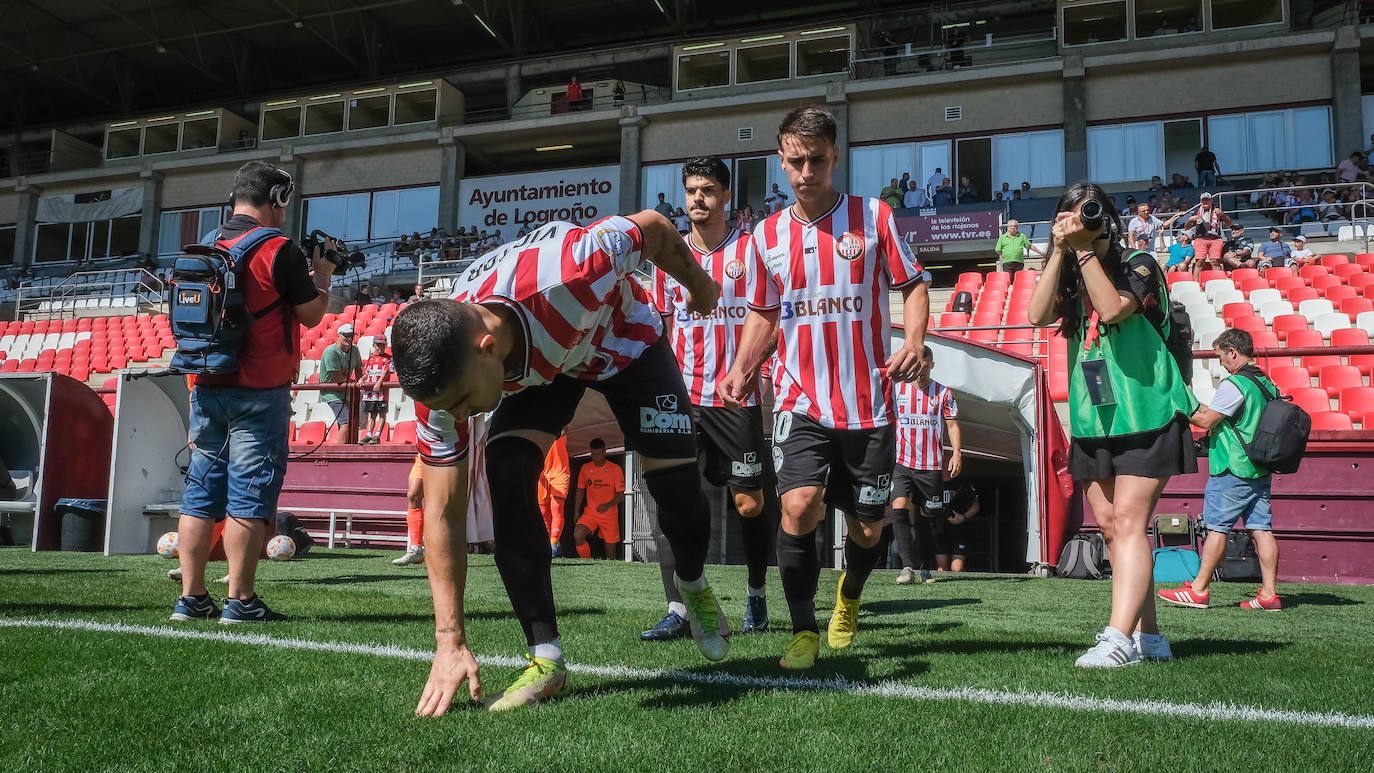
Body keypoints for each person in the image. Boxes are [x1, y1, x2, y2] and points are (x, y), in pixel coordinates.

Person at [390, 205, 731, 714]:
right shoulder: (441, 381)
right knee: (506, 472)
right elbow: (443, 511)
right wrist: (449, 640)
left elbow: (655, 228)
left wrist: (701, 286)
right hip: (545, 371)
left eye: (463, 401)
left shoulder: (573, 268)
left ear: (487, 349)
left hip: (622, 343)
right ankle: (546, 659)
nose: (460, 416)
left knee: (677, 491)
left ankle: (692, 582)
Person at [721, 105, 931, 670]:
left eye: (816, 159)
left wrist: (914, 339)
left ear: (835, 156)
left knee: (867, 527)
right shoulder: (765, 236)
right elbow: (764, 314)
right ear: (781, 162)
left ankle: (851, 595)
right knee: (796, 505)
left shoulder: (875, 217)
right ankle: (803, 629)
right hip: (798, 398)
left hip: (867, 403)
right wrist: (742, 366)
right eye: (795, 161)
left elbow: (913, 286)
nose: (806, 171)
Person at [1027, 181, 1197, 668]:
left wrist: (1083, 253)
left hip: (1148, 410)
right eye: (1070, 215)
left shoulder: (1139, 264)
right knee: (1110, 528)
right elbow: (1037, 316)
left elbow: (1112, 308)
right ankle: (1151, 637)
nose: (1081, 222)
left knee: (1127, 522)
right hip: (1096, 416)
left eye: (1089, 214)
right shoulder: (1067, 265)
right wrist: (1059, 252)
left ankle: (1118, 638)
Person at [170, 161, 337, 624]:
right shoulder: (278, 248)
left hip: (205, 382)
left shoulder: (203, 244)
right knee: (250, 493)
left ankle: (192, 597)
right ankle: (240, 600)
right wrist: (322, 273)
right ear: (277, 199)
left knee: (200, 489)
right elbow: (310, 315)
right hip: (259, 387)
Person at [644, 156, 778, 641]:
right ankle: (679, 608)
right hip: (679, 400)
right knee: (671, 501)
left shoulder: (752, 252)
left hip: (734, 399)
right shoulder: (669, 261)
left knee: (749, 503)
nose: (697, 199)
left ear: (725, 196)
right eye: (690, 190)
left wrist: (751, 371)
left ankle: (757, 595)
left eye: (707, 190)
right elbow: (657, 330)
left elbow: (772, 323)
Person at [1158, 329, 1282, 611]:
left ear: (1232, 352)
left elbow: (1206, 421)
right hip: (1259, 468)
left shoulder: (1234, 383)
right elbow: (1221, 414)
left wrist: (1179, 399)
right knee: (1262, 529)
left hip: (1232, 467)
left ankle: (1199, 590)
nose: (1220, 364)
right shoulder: (1266, 383)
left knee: (1216, 528)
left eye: (1220, 357)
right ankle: (1269, 595)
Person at [889, 346, 961, 584]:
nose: (920, 369)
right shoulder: (898, 390)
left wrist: (957, 453)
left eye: (924, 364)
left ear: (932, 365)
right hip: (903, 462)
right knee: (898, 507)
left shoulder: (943, 393)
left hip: (931, 466)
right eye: (916, 365)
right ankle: (907, 568)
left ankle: (925, 567)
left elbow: (952, 425)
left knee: (930, 519)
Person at [572, 438, 624, 559]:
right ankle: (586, 564)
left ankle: (611, 574)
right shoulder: (585, 468)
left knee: (610, 552)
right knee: (578, 534)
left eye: (599, 454)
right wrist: (576, 511)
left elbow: (621, 495)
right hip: (591, 513)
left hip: (609, 515)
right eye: (593, 454)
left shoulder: (615, 469)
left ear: (605, 452)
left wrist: (608, 505)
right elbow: (580, 489)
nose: (596, 457)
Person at [320, 324, 364, 443]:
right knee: (346, 421)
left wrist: (360, 380)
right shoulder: (330, 351)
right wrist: (356, 382)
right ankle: (341, 452)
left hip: (346, 391)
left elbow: (359, 369)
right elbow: (336, 376)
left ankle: (346, 449)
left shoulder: (354, 350)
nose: (349, 338)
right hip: (332, 392)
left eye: (351, 336)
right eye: (346, 335)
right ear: (338, 336)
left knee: (349, 421)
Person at [1184, 192, 1231, 281]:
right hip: (1200, 239)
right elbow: (1187, 227)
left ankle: (1219, 283)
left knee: (1215, 262)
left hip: (1215, 239)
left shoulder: (1217, 210)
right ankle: (1195, 285)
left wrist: (1223, 215)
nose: (1205, 202)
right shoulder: (1197, 211)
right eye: (1203, 200)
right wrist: (1190, 220)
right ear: (1200, 201)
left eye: (1207, 200)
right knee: (1199, 262)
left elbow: (1228, 224)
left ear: (1211, 200)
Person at [538, 432, 570, 556]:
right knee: (543, 511)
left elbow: (565, 425)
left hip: (559, 472)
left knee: (556, 509)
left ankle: (553, 546)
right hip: (542, 471)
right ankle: (547, 543)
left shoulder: (560, 422)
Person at [394, 453, 428, 566]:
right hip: (424, 453)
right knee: (413, 496)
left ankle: (442, 551)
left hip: (447, 451)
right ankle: (416, 550)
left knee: (439, 501)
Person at [359, 336, 393, 444]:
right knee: (372, 413)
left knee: (382, 413)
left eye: (382, 345)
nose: (380, 347)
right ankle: (369, 434)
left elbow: (387, 371)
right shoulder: (370, 359)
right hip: (371, 392)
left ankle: (378, 435)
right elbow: (366, 373)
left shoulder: (389, 358)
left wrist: (379, 382)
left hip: (382, 392)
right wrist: (361, 379)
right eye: (378, 345)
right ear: (373, 346)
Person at [942, 481, 980, 572]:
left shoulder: (964, 484)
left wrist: (963, 517)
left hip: (960, 531)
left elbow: (976, 506)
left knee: (957, 568)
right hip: (940, 530)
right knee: (941, 568)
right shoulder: (934, 481)